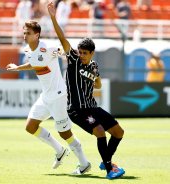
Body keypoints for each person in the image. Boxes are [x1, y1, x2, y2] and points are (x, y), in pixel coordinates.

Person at [47, 1, 125, 179]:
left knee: (118, 132)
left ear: (92, 54)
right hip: (76, 109)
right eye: (80, 51)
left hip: (92, 107)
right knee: (99, 131)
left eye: (84, 53)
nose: (81, 54)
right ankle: (109, 169)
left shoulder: (94, 66)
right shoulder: (73, 59)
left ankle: (106, 159)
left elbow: (98, 84)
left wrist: (94, 81)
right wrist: (53, 17)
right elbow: (62, 39)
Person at [6, 20, 91, 175]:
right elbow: (34, 63)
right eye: (24, 32)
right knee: (30, 126)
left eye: (28, 33)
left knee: (65, 133)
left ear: (37, 35)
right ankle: (59, 150)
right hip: (46, 96)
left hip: (59, 96)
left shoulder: (48, 48)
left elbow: (62, 51)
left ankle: (84, 163)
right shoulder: (28, 50)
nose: (25, 36)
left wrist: (70, 58)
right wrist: (17, 68)